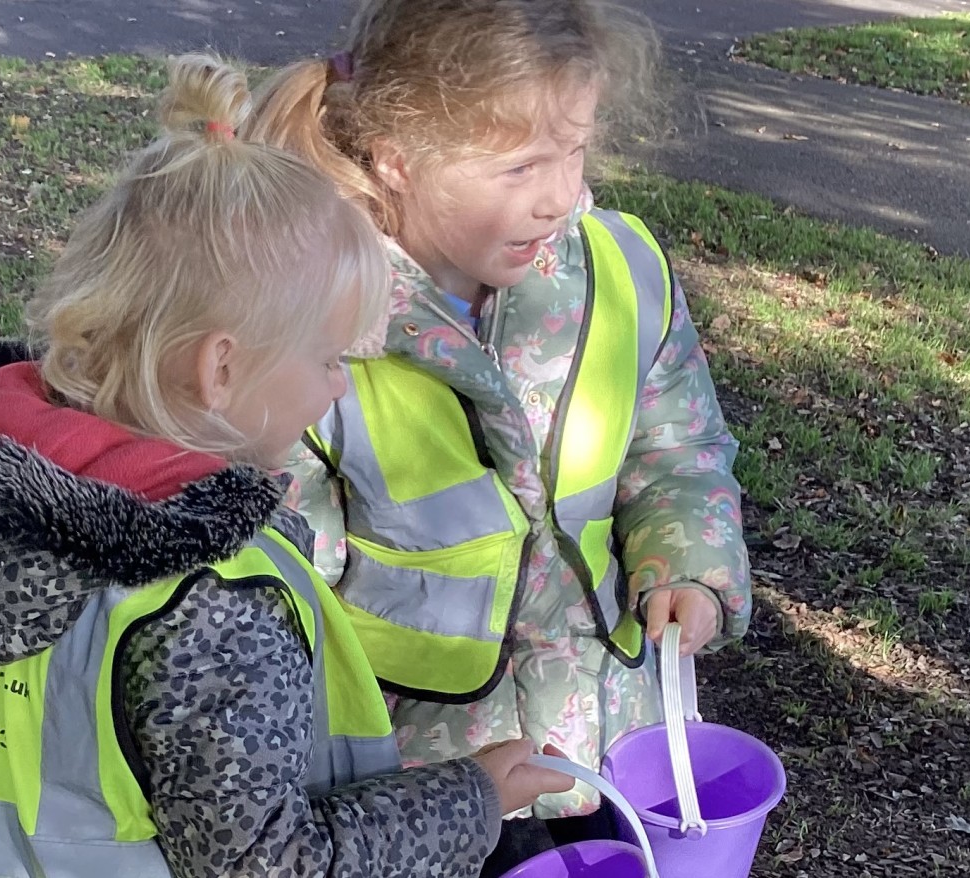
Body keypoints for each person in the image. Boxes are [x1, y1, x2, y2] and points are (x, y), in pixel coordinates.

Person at [0, 54, 571, 878]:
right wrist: (472, 801)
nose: (340, 384)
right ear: (222, 370)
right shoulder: (211, 599)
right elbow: (264, 864)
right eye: (328, 358)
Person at [245, 1, 754, 872]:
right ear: (398, 160)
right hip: (416, 789)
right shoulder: (315, 319)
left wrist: (692, 568)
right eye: (520, 165)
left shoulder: (619, 272)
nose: (560, 195)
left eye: (576, 149)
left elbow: (678, 455)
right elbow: (281, 597)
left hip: (604, 753)